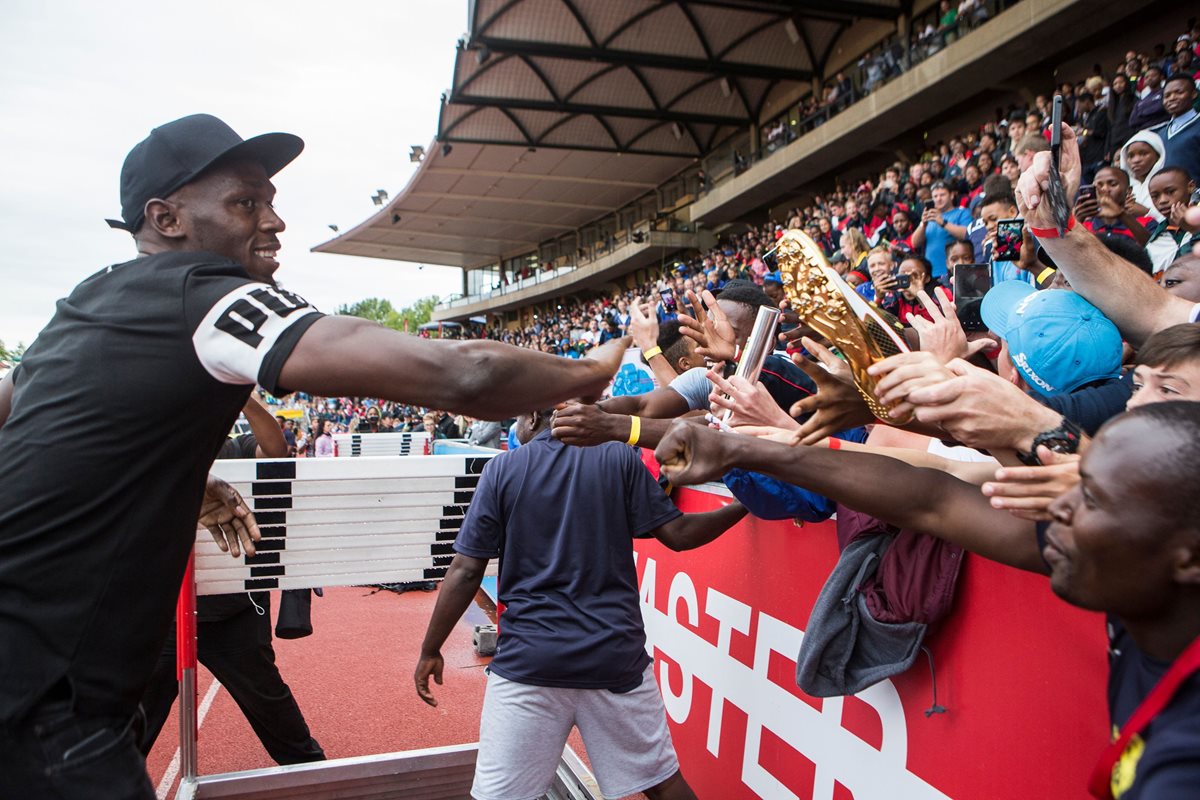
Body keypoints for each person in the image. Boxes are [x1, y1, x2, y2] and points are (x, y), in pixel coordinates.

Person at [0, 113, 626, 799]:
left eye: (270, 200)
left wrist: (178, 470)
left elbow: (18, 401)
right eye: (246, 202)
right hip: (45, 700)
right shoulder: (209, 296)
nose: (274, 222)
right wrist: (595, 368)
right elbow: (464, 375)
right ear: (167, 217)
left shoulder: (90, 299)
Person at [653, 402, 1200, 799]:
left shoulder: (1184, 763)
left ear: (1189, 556)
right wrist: (743, 449)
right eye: (1073, 486)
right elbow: (933, 502)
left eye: (1093, 501)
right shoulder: (1134, 564)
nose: (1056, 509)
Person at [414, 409, 746, 800]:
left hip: (529, 662)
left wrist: (430, 648)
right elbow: (679, 534)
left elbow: (467, 570)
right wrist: (745, 505)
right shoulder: (619, 457)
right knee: (663, 783)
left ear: (535, 415)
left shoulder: (503, 469)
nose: (514, 426)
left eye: (517, 416)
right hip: (613, 657)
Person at [138, 394, 324, 766]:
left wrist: (242, 396)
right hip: (166, 613)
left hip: (234, 611)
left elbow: (276, 449)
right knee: (136, 719)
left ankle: (314, 773)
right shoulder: (154, 448)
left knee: (271, 705)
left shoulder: (236, 446)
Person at [912, 180, 971, 279]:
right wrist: (923, 223)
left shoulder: (962, 212)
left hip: (954, 272)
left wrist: (943, 222)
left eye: (942, 195)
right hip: (931, 274)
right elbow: (914, 243)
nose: (938, 199)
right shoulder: (930, 217)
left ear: (951, 195)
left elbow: (967, 234)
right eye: (935, 196)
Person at [1150, 74, 1200, 184]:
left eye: (1179, 92)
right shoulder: (1160, 134)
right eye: (1167, 95)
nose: (1172, 98)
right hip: (1168, 199)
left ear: (1193, 94)